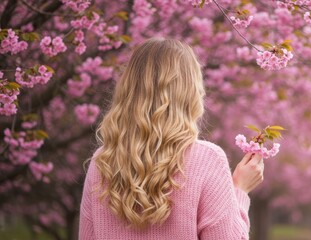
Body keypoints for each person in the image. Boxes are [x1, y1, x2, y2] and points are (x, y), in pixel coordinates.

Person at [79, 38, 264, 240]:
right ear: (190, 92)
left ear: (128, 90)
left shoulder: (102, 162)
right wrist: (240, 190)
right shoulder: (207, 159)